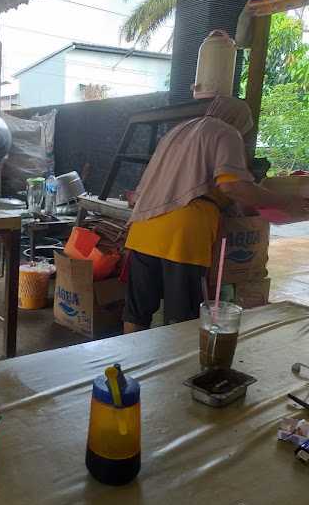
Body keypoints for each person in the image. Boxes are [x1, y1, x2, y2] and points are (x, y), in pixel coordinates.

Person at [123, 95, 309, 334]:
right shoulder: (226, 133)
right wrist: (286, 203)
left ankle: (125, 367)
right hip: (182, 235)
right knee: (181, 322)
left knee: (137, 312)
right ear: (239, 121)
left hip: (143, 229)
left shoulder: (178, 132)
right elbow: (232, 186)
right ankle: (182, 370)